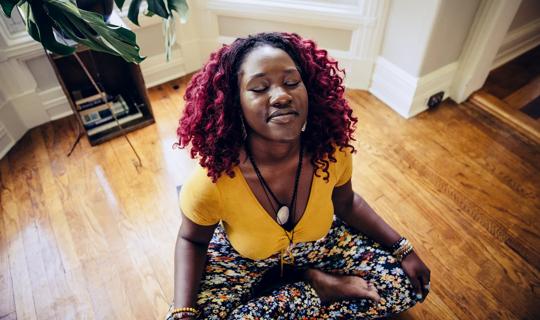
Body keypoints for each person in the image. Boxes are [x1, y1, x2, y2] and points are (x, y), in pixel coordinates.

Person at [167, 32, 431, 320]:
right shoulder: (212, 181)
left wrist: (403, 249)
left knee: (402, 286)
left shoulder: (330, 151)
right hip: (242, 260)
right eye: (259, 88)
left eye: (292, 83)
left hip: (319, 245)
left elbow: (347, 203)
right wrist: (183, 311)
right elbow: (192, 241)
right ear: (234, 104)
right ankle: (315, 290)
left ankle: (301, 287)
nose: (281, 96)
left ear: (310, 91)